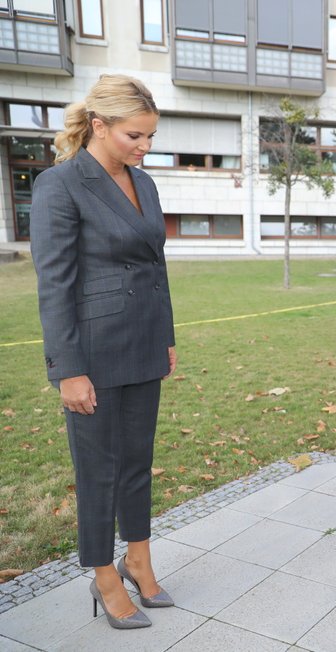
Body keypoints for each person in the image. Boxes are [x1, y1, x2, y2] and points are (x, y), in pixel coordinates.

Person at [30, 74, 176, 630]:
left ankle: (137, 559)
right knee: (98, 470)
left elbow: (155, 267)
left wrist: (165, 337)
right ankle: (103, 575)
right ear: (100, 125)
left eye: (150, 137)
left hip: (143, 344)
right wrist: (68, 371)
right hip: (92, 352)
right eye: (135, 136)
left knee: (137, 461)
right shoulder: (60, 185)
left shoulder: (145, 183)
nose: (144, 147)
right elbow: (55, 284)